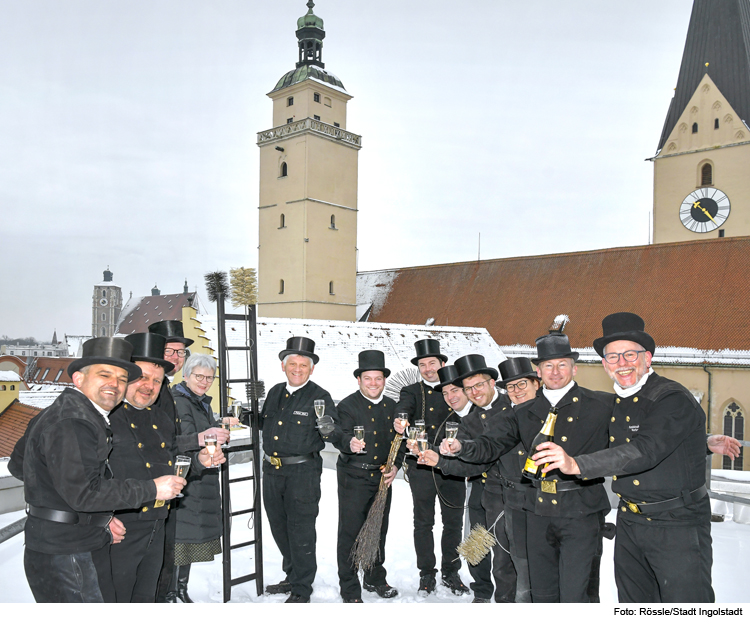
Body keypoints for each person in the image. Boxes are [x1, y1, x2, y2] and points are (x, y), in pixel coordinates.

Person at [532, 312, 720, 602]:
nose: (622, 364)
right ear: (605, 365)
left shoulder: (671, 398)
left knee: (685, 606)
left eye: (629, 354)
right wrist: (703, 442)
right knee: (634, 604)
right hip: (630, 522)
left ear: (647, 358)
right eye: (613, 357)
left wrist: (576, 464)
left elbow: (645, 449)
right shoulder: (617, 401)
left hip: (676, 523)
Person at [8, 337, 186, 602]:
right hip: (68, 549)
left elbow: (22, 465)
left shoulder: (71, 413)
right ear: (79, 379)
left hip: (73, 541)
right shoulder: (74, 421)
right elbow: (83, 493)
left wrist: (85, 513)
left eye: (121, 378)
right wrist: (152, 488)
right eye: (105, 374)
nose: (114, 384)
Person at [441, 331, 613, 602]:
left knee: (578, 592)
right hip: (532, 511)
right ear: (540, 371)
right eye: (548, 366)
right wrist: (460, 448)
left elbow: (641, 438)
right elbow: (489, 445)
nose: (555, 372)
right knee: (535, 586)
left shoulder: (602, 404)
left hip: (581, 511)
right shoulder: (519, 414)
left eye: (561, 365)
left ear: (574, 367)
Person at [108, 333, 223, 602]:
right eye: (141, 377)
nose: (149, 386)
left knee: (150, 595)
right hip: (119, 529)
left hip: (155, 524)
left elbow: (169, 455)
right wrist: (101, 518)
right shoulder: (102, 414)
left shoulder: (158, 409)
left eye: (156, 380)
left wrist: (200, 461)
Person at [418, 355, 517, 603]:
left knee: (506, 554)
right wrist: (438, 460)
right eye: (469, 388)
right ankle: (482, 592)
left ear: (492, 383)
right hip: (481, 491)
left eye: (477, 386)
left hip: (512, 493)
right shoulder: (468, 420)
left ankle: (509, 600)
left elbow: (487, 451)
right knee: (475, 546)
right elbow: (467, 463)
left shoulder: (512, 405)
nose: (473, 392)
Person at [261, 336, 342, 603]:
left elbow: (333, 432)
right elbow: (265, 423)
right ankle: (291, 575)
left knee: (301, 530)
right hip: (272, 472)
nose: (297, 369)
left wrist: (331, 429)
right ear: (283, 366)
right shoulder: (274, 392)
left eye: (303, 365)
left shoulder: (320, 397)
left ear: (312, 369)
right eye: (292, 364)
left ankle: (302, 588)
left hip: (302, 474)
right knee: (279, 528)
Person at [394, 339, 469, 597]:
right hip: (422, 467)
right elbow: (403, 410)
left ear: (443, 364)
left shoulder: (457, 390)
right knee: (423, 523)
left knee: (453, 523)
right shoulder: (411, 391)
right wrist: (400, 420)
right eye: (423, 365)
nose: (428, 369)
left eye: (432, 364)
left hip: (453, 467)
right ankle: (426, 573)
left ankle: (451, 571)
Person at [334, 350, 400, 602]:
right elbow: (340, 436)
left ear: (384, 380)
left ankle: (374, 577)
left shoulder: (393, 407)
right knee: (350, 533)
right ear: (359, 380)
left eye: (378, 378)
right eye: (368, 378)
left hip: (383, 478)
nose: (373, 383)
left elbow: (400, 442)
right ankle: (349, 588)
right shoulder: (347, 406)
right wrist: (347, 443)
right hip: (353, 477)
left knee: (378, 529)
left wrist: (396, 467)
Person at [169, 353, 227, 603]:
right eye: (199, 376)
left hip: (200, 477)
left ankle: (180, 589)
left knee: (187, 541)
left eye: (209, 377)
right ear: (186, 376)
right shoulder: (178, 401)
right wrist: (207, 438)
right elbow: (179, 440)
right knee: (179, 541)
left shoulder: (199, 401)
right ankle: (172, 592)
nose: (204, 381)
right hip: (186, 477)